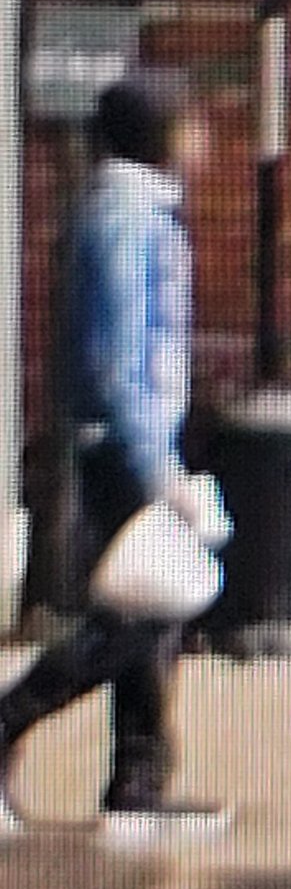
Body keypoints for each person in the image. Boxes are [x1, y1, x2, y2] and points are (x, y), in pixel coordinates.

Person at [0, 69, 231, 843]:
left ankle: (137, 785)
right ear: (158, 131)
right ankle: (9, 724)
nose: (202, 140)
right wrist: (156, 469)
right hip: (123, 447)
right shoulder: (125, 214)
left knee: (152, 617)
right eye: (191, 124)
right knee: (133, 620)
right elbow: (114, 357)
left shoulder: (137, 208)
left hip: (132, 442)